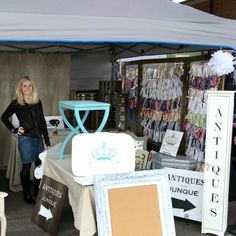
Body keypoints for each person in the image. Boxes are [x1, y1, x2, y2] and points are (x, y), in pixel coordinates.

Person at [1, 76, 50, 204]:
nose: (27, 88)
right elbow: (4, 117)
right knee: (27, 167)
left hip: (39, 139)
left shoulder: (37, 101)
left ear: (32, 87)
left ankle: (37, 192)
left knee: (39, 166)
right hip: (26, 139)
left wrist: (47, 141)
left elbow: (42, 122)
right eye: (24, 86)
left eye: (29, 85)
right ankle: (26, 194)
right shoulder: (16, 103)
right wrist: (14, 129)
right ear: (20, 88)